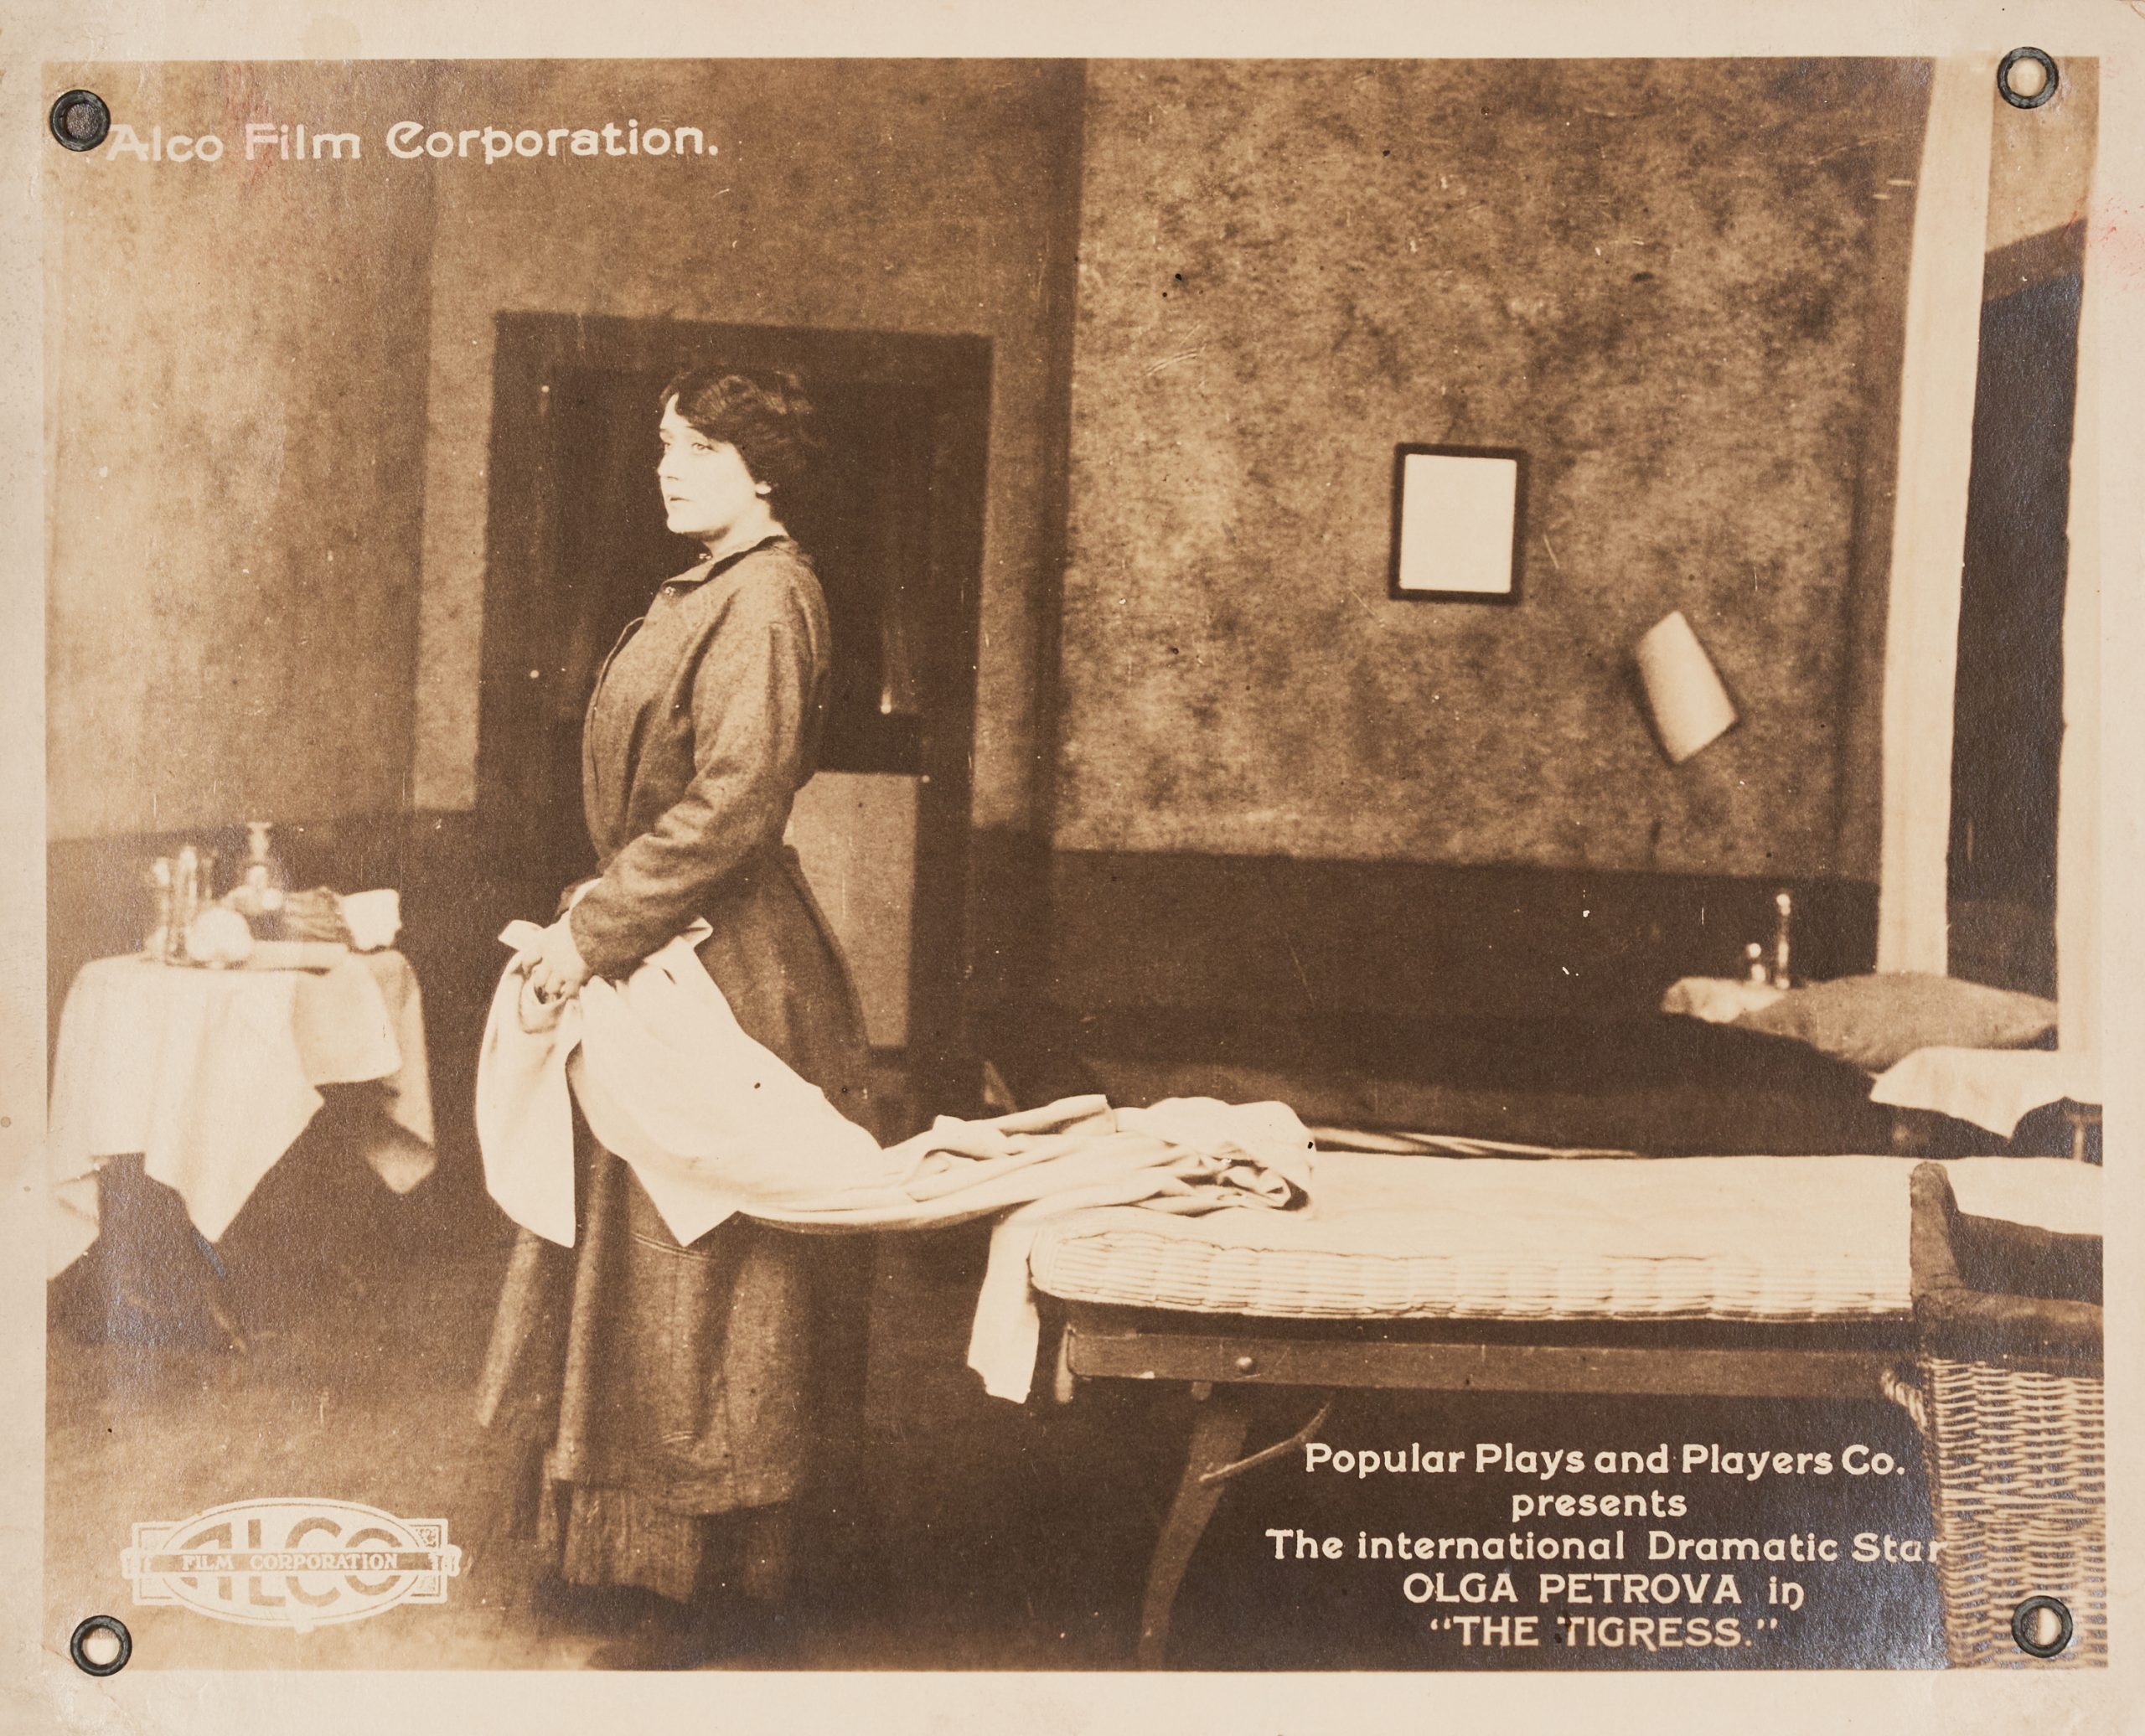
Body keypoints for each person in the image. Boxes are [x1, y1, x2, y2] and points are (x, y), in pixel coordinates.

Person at [476, 367, 875, 1668]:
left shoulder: (766, 594)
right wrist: (603, 924)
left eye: (698, 448)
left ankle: (712, 1576)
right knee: (643, 1264)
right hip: (664, 944)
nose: (669, 468)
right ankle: (637, 1559)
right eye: (663, 444)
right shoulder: (704, 585)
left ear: (760, 470)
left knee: (705, 1269)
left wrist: (595, 929)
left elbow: (734, 803)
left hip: (730, 969)